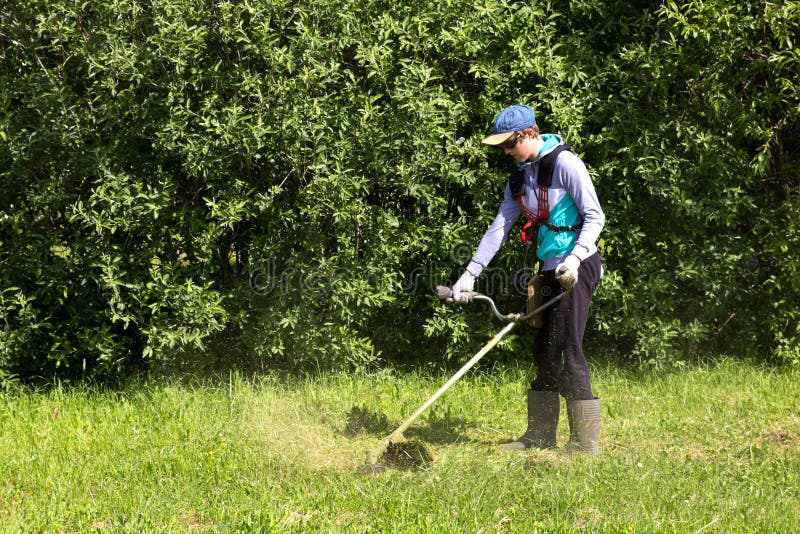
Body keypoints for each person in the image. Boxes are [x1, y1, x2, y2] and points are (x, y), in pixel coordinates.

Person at [450, 104, 605, 455]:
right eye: (502, 147)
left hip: (578, 266)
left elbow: (595, 217)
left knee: (567, 348)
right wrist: (469, 275)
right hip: (549, 269)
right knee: (545, 350)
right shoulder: (519, 178)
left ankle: (583, 445)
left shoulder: (566, 164)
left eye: (509, 144)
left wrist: (576, 258)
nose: (506, 152)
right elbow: (499, 228)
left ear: (530, 133)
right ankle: (539, 438)